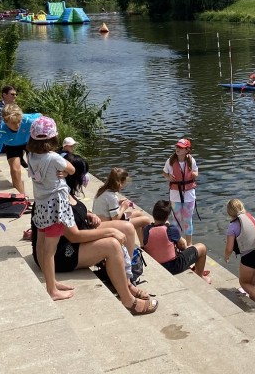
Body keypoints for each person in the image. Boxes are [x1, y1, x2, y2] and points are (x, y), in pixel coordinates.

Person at [31, 155, 157, 315]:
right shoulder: (57, 197)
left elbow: (75, 212)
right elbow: (74, 236)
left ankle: (126, 280)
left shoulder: (64, 190)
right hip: (61, 253)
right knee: (112, 244)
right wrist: (109, 231)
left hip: (70, 242)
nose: (85, 179)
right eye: (83, 174)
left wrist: (89, 214)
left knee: (127, 228)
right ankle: (127, 300)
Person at [25, 115, 76, 300]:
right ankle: (51, 290)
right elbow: (72, 169)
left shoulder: (30, 155)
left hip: (40, 205)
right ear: (53, 138)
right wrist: (64, 171)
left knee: (41, 244)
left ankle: (51, 281)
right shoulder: (54, 158)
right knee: (50, 250)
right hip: (55, 207)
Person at [143, 200, 210, 283]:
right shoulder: (171, 229)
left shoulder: (147, 229)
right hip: (173, 266)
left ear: (153, 214)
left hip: (156, 265)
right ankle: (200, 276)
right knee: (202, 248)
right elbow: (182, 246)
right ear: (167, 217)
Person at [0, 104, 39, 195]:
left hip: (28, 142)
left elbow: (43, 117)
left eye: (19, 122)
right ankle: (21, 197)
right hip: (12, 145)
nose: (17, 125)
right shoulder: (2, 131)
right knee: (15, 170)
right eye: (13, 123)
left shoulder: (28, 120)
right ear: (5, 121)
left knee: (38, 167)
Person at [223, 198, 255, 309]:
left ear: (229, 213)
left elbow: (229, 248)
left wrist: (226, 256)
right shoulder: (251, 218)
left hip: (249, 258)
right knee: (253, 283)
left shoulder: (232, 226)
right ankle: (254, 303)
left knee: (244, 282)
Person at [92, 166, 151, 246]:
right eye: (124, 183)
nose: (124, 185)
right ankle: (147, 245)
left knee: (139, 213)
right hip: (107, 225)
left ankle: (143, 245)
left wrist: (118, 202)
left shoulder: (103, 190)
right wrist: (123, 207)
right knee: (146, 220)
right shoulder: (112, 197)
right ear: (120, 183)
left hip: (102, 221)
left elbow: (108, 206)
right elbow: (115, 218)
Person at [162, 137, 199, 245]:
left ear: (187, 150)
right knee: (176, 221)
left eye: (181, 147)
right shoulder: (171, 160)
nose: (178, 149)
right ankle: (176, 244)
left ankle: (189, 244)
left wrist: (194, 174)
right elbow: (164, 173)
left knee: (188, 220)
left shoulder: (191, 160)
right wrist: (168, 176)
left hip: (189, 194)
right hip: (175, 194)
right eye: (177, 146)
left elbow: (196, 171)